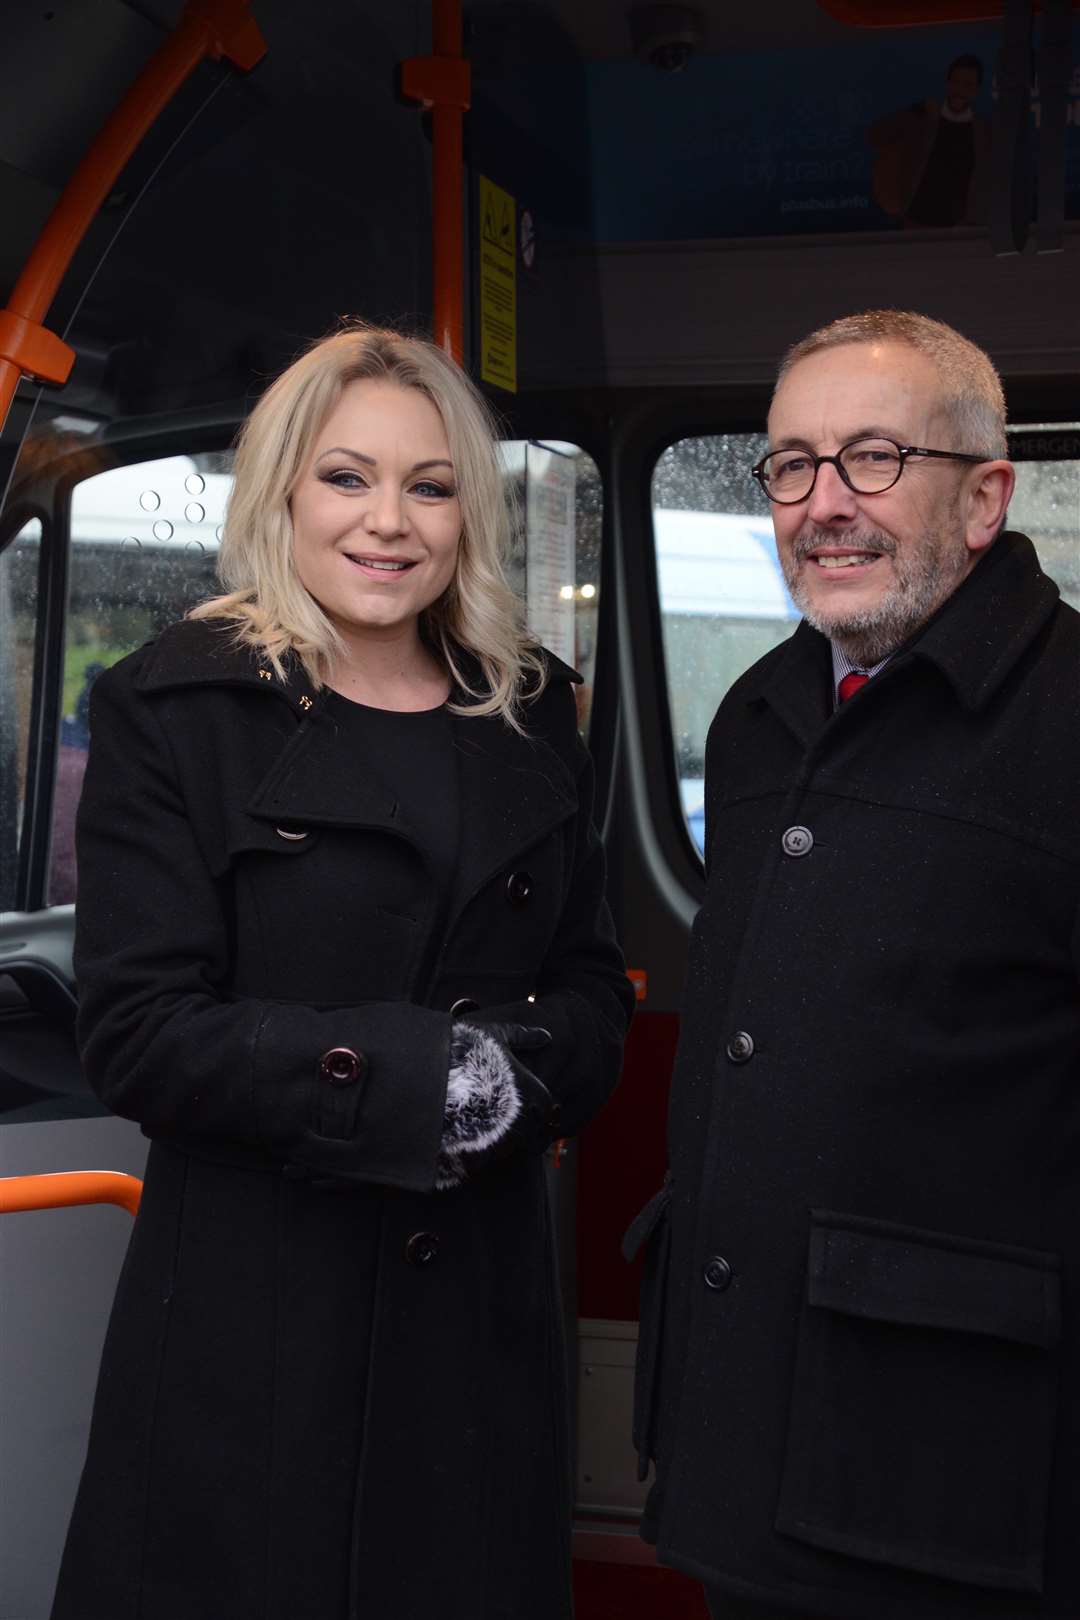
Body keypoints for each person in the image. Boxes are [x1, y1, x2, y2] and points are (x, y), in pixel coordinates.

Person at [52, 323, 634, 1620]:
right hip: (258, 1323)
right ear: (282, 493)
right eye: (347, 477)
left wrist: (526, 1078)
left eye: (430, 486)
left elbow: (594, 981)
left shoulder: (530, 702)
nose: (391, 523)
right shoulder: (178, 707)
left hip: (473, 1322)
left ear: (467, 511)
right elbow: (139, 1032)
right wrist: (420, 1079)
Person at [630, 309, 1080, 1620]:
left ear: (984, 496)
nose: (823, 504)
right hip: (743, 1437)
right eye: (790, 464)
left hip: (964, 1488)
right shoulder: (762, 711)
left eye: (873, 458)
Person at [869, 54, 989, 227]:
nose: (960, 90)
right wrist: (916, 110)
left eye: (968, 85)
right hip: (915, 224)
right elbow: (875, 136)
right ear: (948, 83)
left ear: (977, 90)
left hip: (961, 233)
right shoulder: (925, 119)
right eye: (956, 82)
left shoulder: (984, 132)